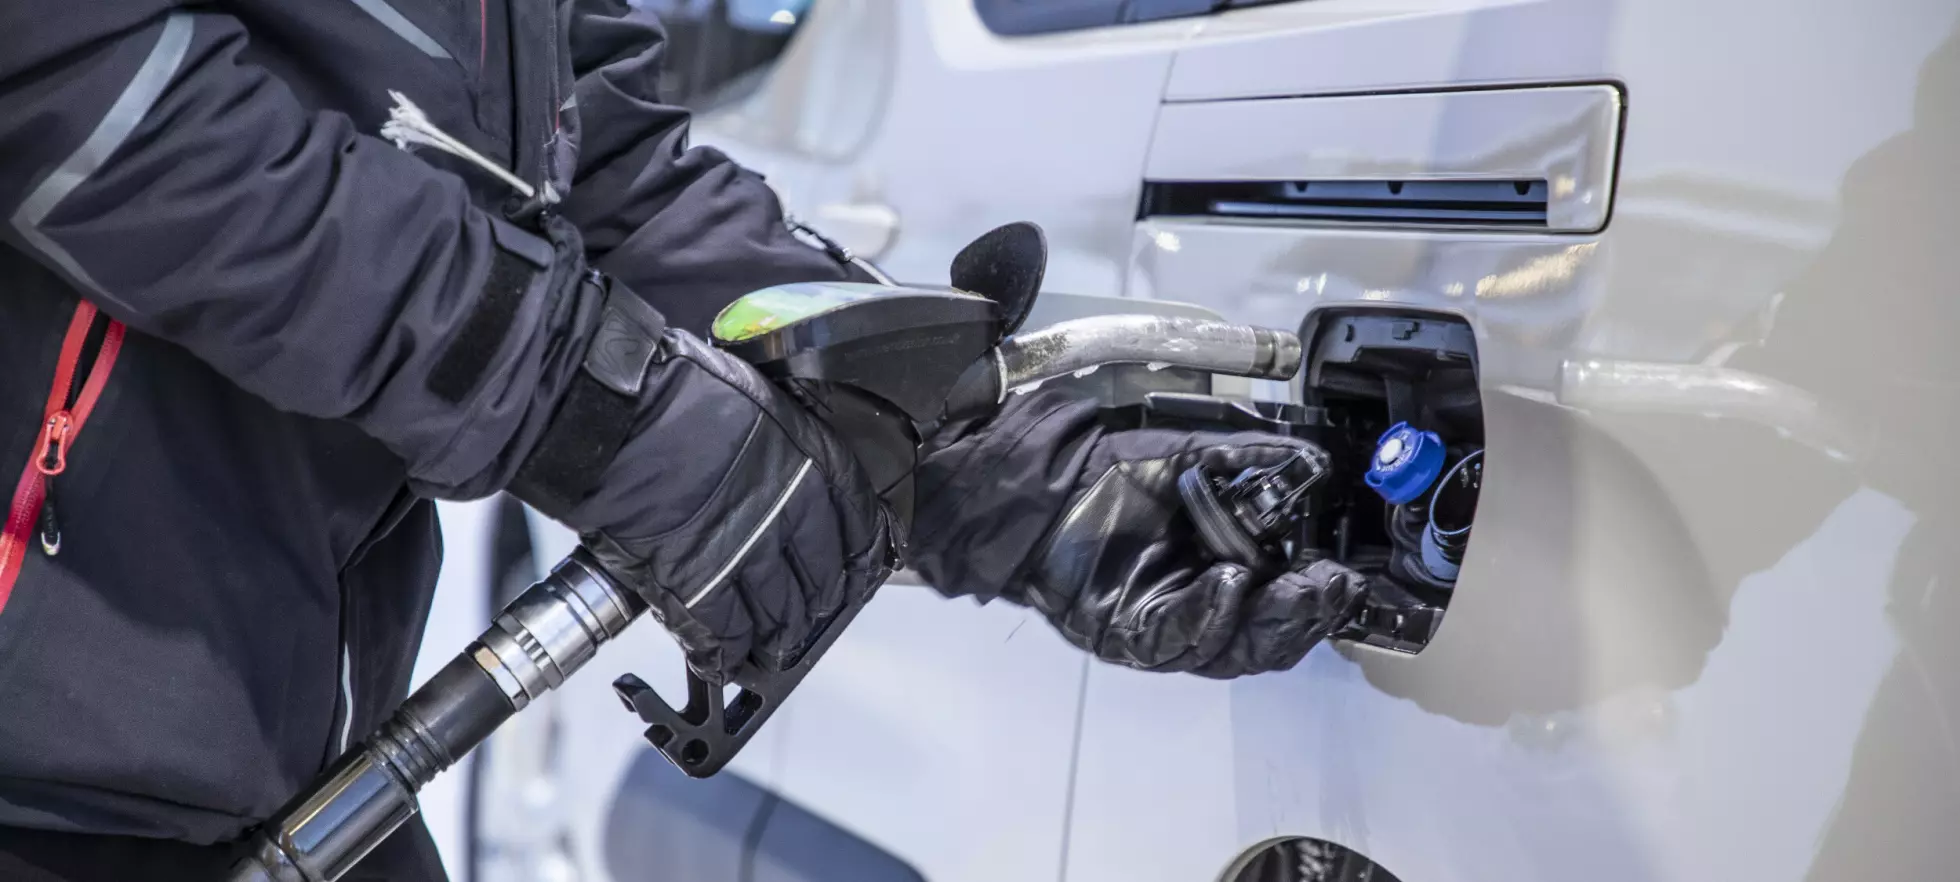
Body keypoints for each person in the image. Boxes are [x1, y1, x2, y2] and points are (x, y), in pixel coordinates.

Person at [0, 1, 1370, 878]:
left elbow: (610, 183)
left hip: (285, 773)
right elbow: (88, 100)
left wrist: (1019, 480)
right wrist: (596, 408)